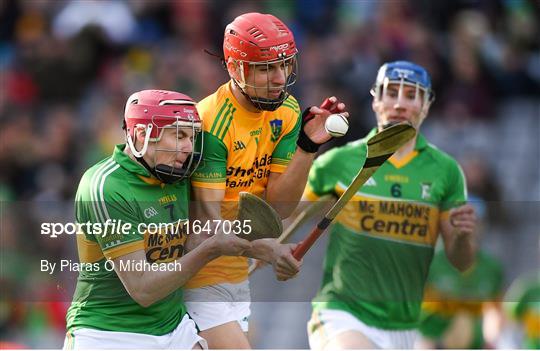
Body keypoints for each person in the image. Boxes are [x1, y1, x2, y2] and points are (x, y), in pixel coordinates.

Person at [184, 12, 348, 349]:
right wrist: (267, 250)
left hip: (236, 271)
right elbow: (209, 228)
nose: (278, 78)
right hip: (197, 274)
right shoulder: (211, 121)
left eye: (283, 65)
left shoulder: (286, 112)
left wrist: (308, 146)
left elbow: (281, 207)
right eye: (264, 68)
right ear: (234, 68)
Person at [305, 61, 477, 349]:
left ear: (426, 105)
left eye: (411, 96)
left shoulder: (446, 171)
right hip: (343, 315)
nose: (399, 104)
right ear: (375, 100)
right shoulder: (337, 162)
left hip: (407, 327)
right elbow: (284, 220)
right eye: (391, 92)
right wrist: (273, 253)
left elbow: (462, 262)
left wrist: (462, 237)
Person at [63, 90, 251, 349]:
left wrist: (268, 250)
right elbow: (143, 289)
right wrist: (210, 249)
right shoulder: (105, 186)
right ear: (142, 135)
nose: (189, 148)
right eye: (179, 136)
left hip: (173, 327)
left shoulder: (177, 175)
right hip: (108, 332)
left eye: (192, 137)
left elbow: (198, 238)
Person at [417, 196, 504, 349]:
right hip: (434, 344)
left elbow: (495, 312)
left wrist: (491, 340)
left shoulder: (492, 268)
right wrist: (426, 342)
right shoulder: (430, 262)